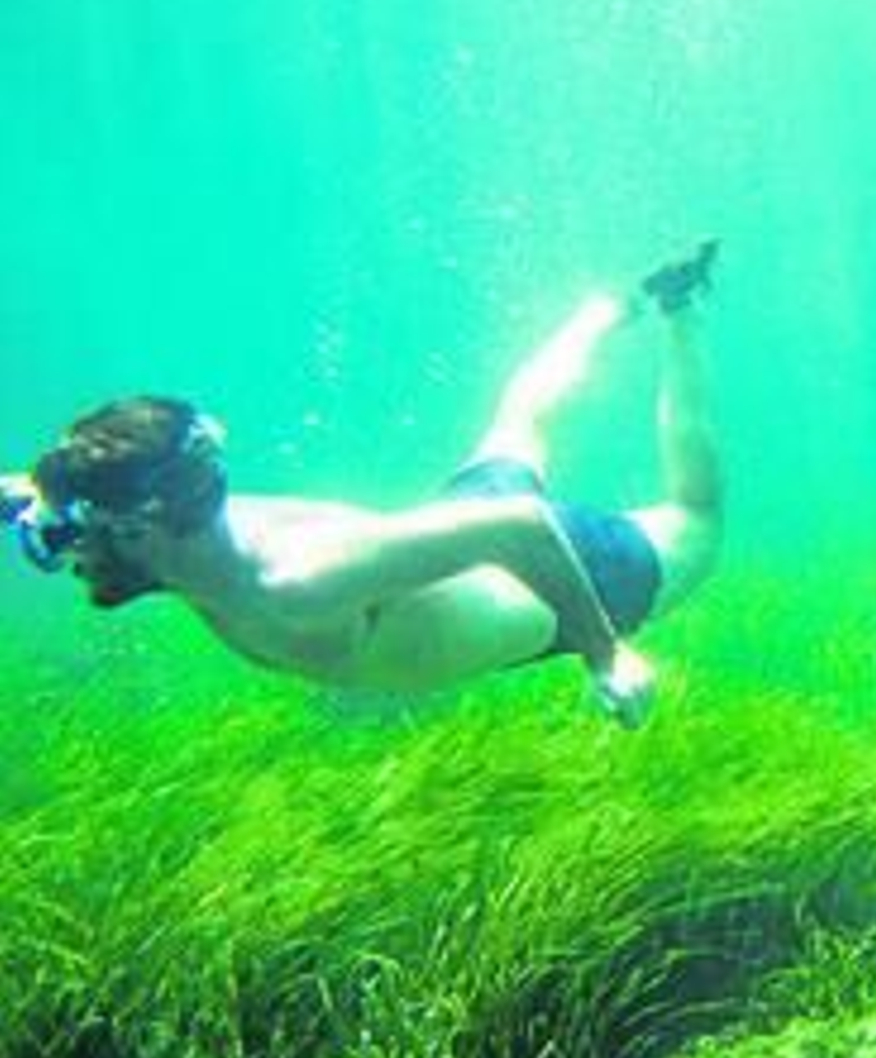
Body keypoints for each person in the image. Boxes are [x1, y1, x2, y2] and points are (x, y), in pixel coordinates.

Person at [0, 241, 723, 729]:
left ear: (139, 525)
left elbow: (521, 526)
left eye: (65, 537)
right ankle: (599, 314)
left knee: (699, 518)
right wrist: (31, 500)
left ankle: (679, 311)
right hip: (456, 531)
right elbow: (56, 491)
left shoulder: (294, 582)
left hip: (560, 582)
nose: (64, 554)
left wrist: (605, 653)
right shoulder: (176, 523)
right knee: (518, 425)